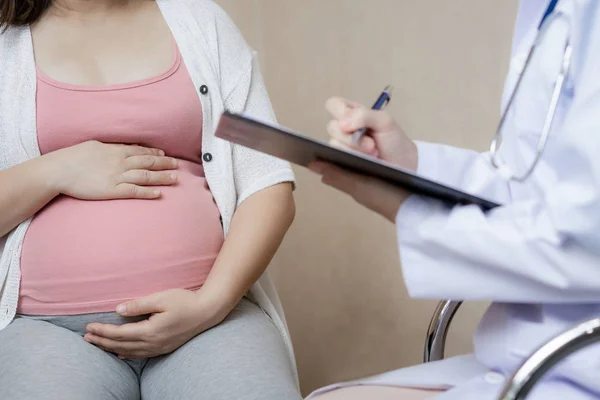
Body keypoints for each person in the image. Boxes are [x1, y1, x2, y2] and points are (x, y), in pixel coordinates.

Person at [0, 0, 302, 399]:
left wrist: (210, 305)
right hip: (45, 329)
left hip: (208, 319)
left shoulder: (200, 21)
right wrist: (57, 170)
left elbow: (268, 184)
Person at [308, 1, 600, 399]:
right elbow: (528, 185)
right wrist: (411, 164)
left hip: (578, 361)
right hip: (533, 351)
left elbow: (585, 244)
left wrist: (404, 207)